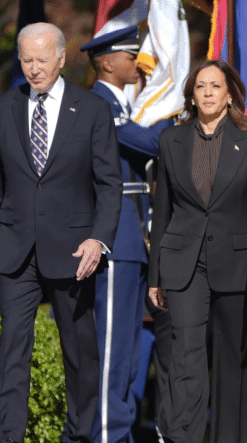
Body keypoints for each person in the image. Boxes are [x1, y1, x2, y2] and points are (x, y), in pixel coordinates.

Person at [0, 22, 123, 443]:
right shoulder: (3, 109)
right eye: (26, 60)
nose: (34, 68)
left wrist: (98, 238)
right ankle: (10, 437)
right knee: (13, 353)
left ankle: (78, 436)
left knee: (79, 355)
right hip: (14, 250)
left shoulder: (91, 110)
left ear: (61, 58)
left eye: (41, 59)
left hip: (74, 250)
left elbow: (108, 184)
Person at [147, 59, 247, 443]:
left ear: (229, 93)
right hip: (183, 262)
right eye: (200, 86)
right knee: (186, 353)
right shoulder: (172, 140)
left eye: (215, 86)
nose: (207, 93)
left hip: (236, 261)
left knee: (232, 358)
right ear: (192, 94)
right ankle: (182, 437)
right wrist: (156, 277)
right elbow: (162, 209)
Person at [79, 25, 174, 443]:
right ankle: (106, 433)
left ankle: (119, 430)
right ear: (107, 62)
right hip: (115, 238)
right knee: (113, 350)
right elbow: (151, 144)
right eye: (132, 56)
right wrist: (174, 109)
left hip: (134, 236)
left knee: (130, 351)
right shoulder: (101, 105)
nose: (140, 62)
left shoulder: (121, 104)